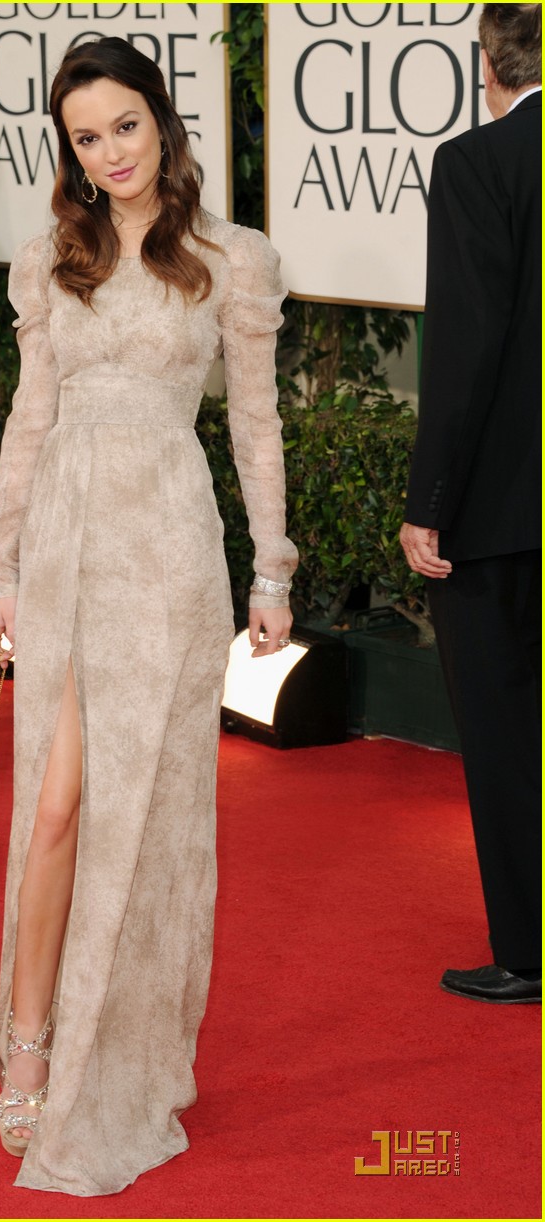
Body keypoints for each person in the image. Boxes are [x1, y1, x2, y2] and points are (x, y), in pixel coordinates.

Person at [0, 36, 297, 1196]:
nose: (107, 153)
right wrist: (2, 566)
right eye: (84, 136)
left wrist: (272, 571)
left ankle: (125, 1050)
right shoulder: (49, 257)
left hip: (164, 552)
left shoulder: (230, 258)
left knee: (146, 817)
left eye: (123, 125)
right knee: (55, 806)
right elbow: (27, 417)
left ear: (161, 120)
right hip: (63, 539)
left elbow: (254, 424)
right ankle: (28, 1041)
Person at [400, 3, 541, 1004]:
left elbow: (462, 351)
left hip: (499, 511)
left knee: (502, 731)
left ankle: (526, 950)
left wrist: (428, 501)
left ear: (487, 61)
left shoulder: (477, 163)